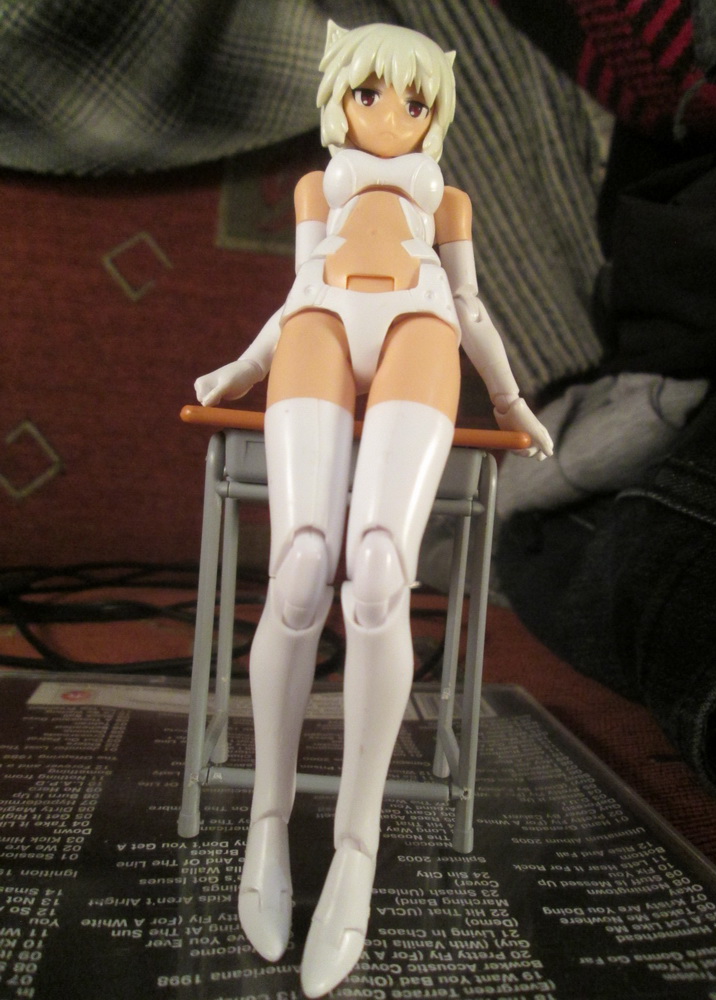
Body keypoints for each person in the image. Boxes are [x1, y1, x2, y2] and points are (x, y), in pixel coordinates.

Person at [194, 21, 552, 997]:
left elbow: (471, 308)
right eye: (370, 94)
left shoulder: (449, 201)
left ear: (437, 112)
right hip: (318, 326)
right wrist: (243, 365)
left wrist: (510, 401)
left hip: (420, 333)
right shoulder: (319, 190)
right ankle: (267, 824)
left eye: (415, 100)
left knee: (382, 570)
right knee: (303, 564)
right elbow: (297, 291)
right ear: (338, 97)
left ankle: (357, 846)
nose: (391, 115)